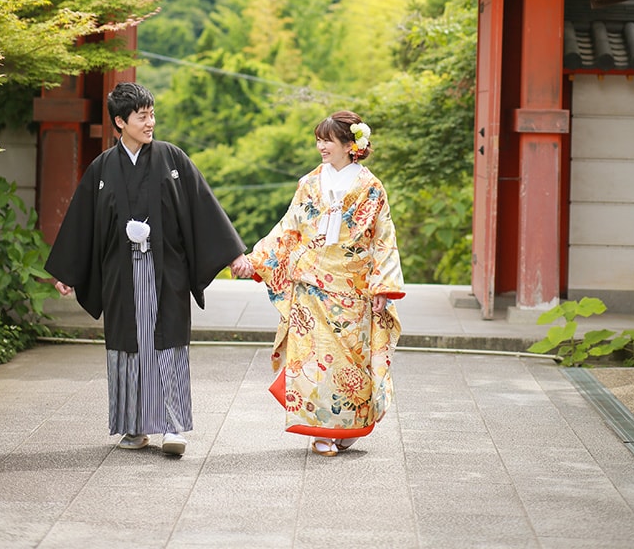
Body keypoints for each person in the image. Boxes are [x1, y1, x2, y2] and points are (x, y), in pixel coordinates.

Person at [45, 81, 247, 456]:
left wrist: (233, 254)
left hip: (165, 271)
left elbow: (204, 207)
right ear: (120, 122)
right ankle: (135, 427)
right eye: (142, 116)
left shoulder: (172, 159)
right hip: (121, 275)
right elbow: (81, 222)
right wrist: (67, 272)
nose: (150, 122)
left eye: (152, 114)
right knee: (129, 346)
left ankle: (173, 426)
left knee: (167, 344)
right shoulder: (102, 168)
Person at [233, 110, 404, 457]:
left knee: (350, 362)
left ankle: (348, 426)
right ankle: (321, 432)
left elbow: (384, 237)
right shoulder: (309, 183)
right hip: (310, 284)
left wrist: (382, 286)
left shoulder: (370, 187)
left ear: (349, 144)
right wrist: (253, 260)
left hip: (353, 285)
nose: (320, 146)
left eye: (328, 140)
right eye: (319, 139)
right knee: (313, 360)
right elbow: (289, 229)